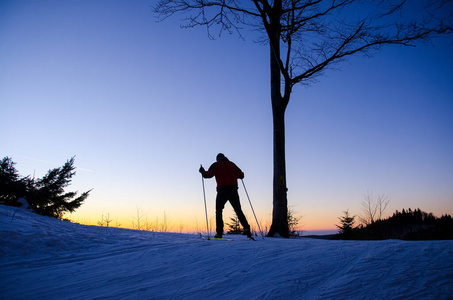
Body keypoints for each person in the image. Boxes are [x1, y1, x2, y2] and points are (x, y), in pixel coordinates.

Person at [199, 153, 251, 239]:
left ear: (217, 159)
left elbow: (208, 175)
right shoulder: (232, 164)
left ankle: (219, 233)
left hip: (222, 191)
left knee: (219, 211)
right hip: (233, 190)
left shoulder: (216, 165)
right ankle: (247, 229)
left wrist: (202, 171)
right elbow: (241, 175)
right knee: (238, 210)